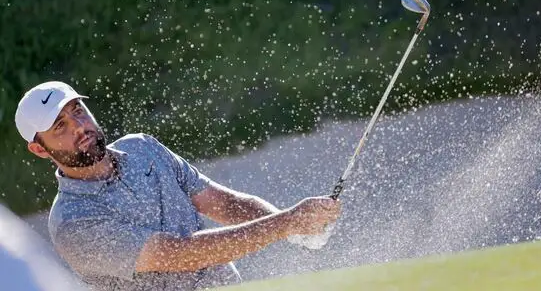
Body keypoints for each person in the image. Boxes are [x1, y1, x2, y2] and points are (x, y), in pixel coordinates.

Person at [14, 81, 342, 290]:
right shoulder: (72, 223)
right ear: (40, 149)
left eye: (78, 111)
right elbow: (181, 254)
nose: (80, 127)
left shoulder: (143, 148)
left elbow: (223, 204)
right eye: (61, 126)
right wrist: (286, 222)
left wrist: (297, 227)